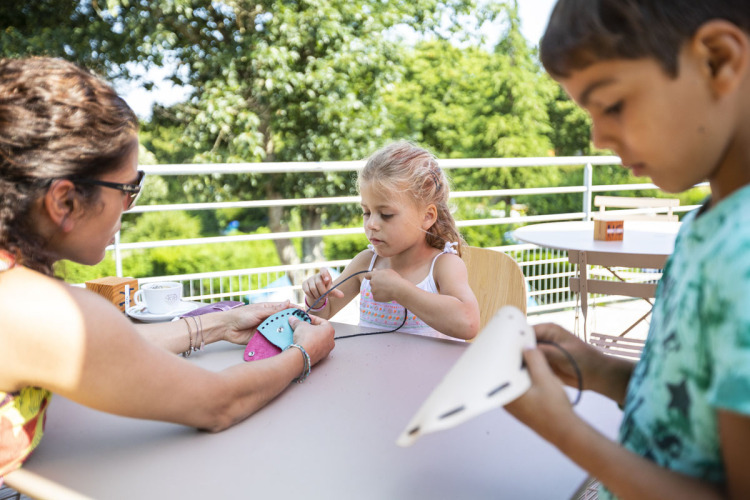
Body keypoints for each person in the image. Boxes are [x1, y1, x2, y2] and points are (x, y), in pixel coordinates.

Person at [0, 57, 335, 480]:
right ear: (64, 202)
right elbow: (217, 402)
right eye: (128, 189)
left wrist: (218, 324)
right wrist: (304, 352)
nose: (129, 207)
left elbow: (113, 351)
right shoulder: (39, 309)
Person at [505, 1, 750, 498]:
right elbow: (693, 415)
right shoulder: (707, 220)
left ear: (719, 61)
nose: (597, 138)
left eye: (612, 105)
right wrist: (599, 369)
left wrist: (565, 432)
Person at [301, 141, 480, 341]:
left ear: (428, 216)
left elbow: (469, 323)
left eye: (386, 214)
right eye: (366, 212)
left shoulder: (443, 266)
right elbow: (322, 314)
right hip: (374, 370)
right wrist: (317, 299)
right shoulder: (366, 262)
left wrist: (401, 290)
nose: (371, 224)